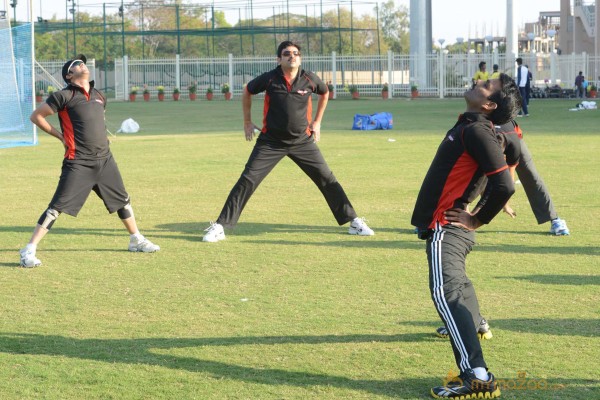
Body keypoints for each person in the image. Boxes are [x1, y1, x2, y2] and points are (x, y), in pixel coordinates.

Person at [411, 73, 521, 398]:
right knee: (459, 287)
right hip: (449, 226)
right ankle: (477, 325)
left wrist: (476, 218)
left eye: (487, 85)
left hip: (448, 226)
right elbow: (511, 150)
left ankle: (477, 376)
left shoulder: (477, 130)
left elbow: (505, 182)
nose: (479, 81)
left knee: (447, 294)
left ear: (489, 104)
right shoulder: (477, 127)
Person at [202, 41, 374, 242]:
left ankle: (353, 222)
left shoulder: (309, 79)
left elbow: (325, 92)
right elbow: (247, 90)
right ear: (279, 59)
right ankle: (220, 226)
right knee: (247, 180)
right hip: (271, 142)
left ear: (300, 58)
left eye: (295, 53)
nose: (292, 56)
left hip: (303, 141)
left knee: (327, 178)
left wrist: (317, 122)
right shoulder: (269, 79)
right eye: (287, 54)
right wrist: (247, 121)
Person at [19, 54, 160, 268]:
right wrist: (61, 137)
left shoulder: (99, 95)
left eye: (83, 63)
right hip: (78, 162)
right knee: (56, 207)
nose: (82, 65)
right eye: (77, 64)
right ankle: (28, 250)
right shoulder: (62, 96)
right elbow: (36, 116)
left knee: (123, 200)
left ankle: (136, 240)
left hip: (105, 159)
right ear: (69, 74)